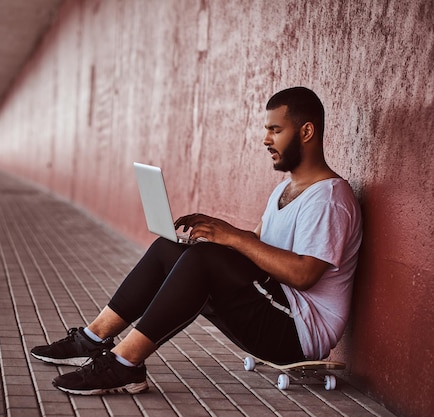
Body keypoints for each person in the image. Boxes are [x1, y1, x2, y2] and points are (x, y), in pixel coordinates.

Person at [30, 86, 363, 396]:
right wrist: (214, 234)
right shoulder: (285, 190)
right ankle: (92, 339)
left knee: (205, 260)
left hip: (297, 333)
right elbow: (258, 245)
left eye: (275, 130)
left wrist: (226, 239)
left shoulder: (329, 199)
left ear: (306, 132)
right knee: (169, 250)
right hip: (273, 309)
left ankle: (124, 364)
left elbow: (304, 274)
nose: (265, 139)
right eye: (267, 130)